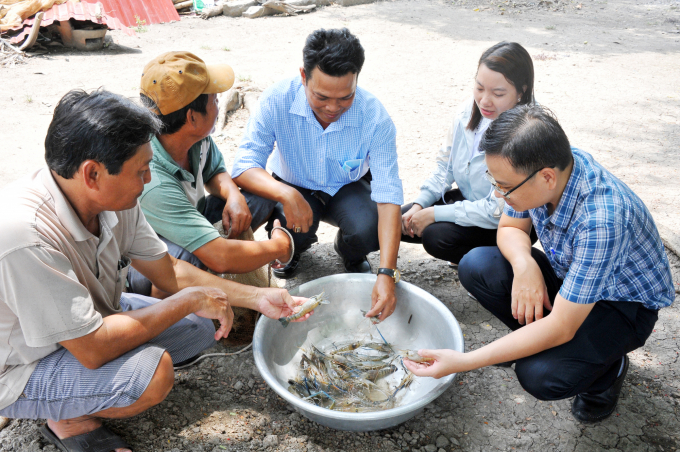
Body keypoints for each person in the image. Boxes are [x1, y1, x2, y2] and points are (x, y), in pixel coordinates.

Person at [0, 89, 310, 452]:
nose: (148, 179)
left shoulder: (113, 198)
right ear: (92, 173)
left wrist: (258, 297)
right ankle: (66, 417)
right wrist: (186, 301)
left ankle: (78, 395)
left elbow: (169, 271)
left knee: (196, 329)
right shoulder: (25, 235)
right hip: (24, 361)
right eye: (141, 170)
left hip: (88, 324)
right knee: (152, 374)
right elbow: (93, 348)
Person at [404, 105, 674, 423]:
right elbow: (509, 228)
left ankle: (606, 372)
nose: (498, 194)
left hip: (622, 305)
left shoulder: (602, 219)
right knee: (478, 264)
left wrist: (463, 361)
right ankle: (546, 345)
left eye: (505, 187)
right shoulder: (545, 168)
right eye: (495, 181)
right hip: (572, 278)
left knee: (540, 375)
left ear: (546, 177)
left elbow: (562, 325)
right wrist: (524, 266)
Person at [232, 28, 404, 321]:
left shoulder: (375, 116)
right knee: (289, 228)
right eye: (321, 96)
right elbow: (244, 165)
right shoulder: (277, 99)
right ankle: (296, 248)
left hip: (347, 187)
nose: (333, 108)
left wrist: (387, 273)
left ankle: (349, 250)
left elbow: (389, 195)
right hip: (293, 183)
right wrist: (285, 193)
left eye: (345, 97)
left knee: (369, 228)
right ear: (303, 76)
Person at [128, 51, 293, 298]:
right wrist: (280, 246)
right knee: (188, 254)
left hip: (191, 219)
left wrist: (233, 196)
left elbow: (215, 171)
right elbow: (220, 256)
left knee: (257, 195)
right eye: (214, 101)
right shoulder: (153, 179)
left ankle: (208, 276)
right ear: (192, 117)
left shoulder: (192, 137)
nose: (217, 106)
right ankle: (166, 313)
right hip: (146, 265)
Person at [401, 42, 536, 266]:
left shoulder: (527, 133)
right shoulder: (467, 112)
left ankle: (479, 266)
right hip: (471, 200)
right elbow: (445, 167)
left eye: (498, 93)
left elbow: (496, 209)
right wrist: (420, 204)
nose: (484, 101)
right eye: (480, 88)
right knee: (399, 220)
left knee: (436, 236)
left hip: (506, 221)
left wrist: (435, 214)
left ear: (522, 91)